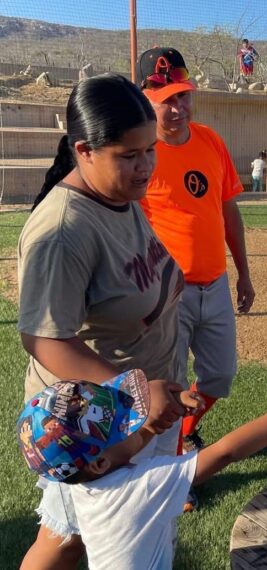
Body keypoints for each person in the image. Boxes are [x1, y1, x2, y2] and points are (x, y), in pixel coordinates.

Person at [17, 73, 188, 569]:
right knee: (71, 539)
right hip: (94, 424)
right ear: (84, 150)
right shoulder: (63, 231)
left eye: (150, 151)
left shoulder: (119, 198)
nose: (146, 167)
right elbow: (45, 339)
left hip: (141, 406)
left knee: (89, 535)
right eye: (129, 156)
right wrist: (133, 392)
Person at [16, 370, 267, 570]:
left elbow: (123, 450)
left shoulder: (84, 483)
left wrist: (148, 430)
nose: (139, 423)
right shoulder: (140, 486)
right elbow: (225, 453)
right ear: (100, 461)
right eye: (127, 424)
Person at [135, 48, 255, 485]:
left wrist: (243, 272)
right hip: (167, 292)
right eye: (166, 98)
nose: (177, 107)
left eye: (183, 96)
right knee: (171, 384)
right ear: (146, 100)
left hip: (216, 284)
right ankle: (175, 471)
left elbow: (228, 211)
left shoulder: (210, 141)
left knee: (220, 376)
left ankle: (186, 433)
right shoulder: (140, 152)